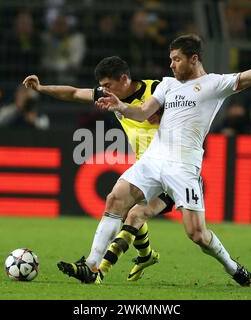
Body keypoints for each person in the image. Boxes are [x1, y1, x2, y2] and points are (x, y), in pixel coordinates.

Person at [94, 27, 251, 286]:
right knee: (115, 199)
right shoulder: (167, 84)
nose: (171, 64)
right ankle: (92, 266)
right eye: (171, 59)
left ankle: (233, 268)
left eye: (176, 59)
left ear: (194, 59)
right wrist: (120, 106)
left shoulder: (215, 84)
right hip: (153, 160)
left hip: (184, 166)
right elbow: (142, 112)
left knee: (197, 234)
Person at [23, 56, 175, 282]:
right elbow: (73, 93)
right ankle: (108, 264)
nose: (103, 90)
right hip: (146, 170)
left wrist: (163, 116)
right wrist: (41, 87)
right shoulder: (111, 96)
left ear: (124, 79)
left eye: (107, 85)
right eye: (102, 86)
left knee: (140, 215)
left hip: (173, 170)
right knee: (122, 205)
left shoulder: (157, 90)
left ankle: (98, 269)